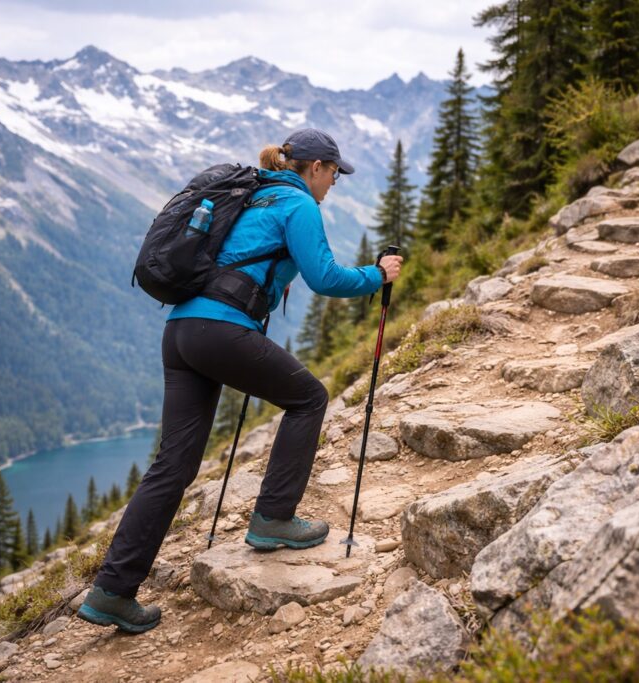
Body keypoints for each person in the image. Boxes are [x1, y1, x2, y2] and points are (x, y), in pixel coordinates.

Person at [77, 128, 404, 633]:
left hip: (181, 331)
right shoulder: (298, 205)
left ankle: (112, 591)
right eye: (334, 173)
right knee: (309, 398)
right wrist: (377, 275)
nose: (335, 183)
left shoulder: (252, 194)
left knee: (174, 464)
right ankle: (273, 518)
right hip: (219, 331)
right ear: (315, 167)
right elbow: (324, 278)